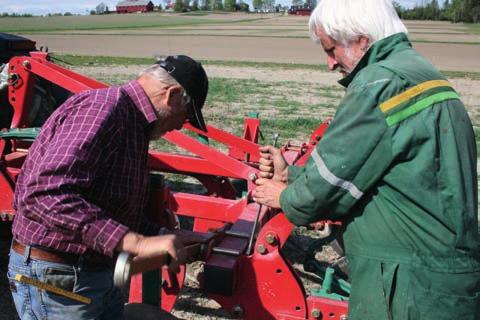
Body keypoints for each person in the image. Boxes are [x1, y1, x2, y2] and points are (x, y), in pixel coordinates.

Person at [253, 1, 480, 319]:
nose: (330, 64)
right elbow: (380, 171)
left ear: (361, 39)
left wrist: (284, 196)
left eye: (331, 49)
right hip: (444, 280)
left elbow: (321, 192)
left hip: (407, 288)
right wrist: (291, 174)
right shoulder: (427, 78)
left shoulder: (381, 84)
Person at [8, 55, 209, 320]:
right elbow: (46, 192)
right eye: (184, 118)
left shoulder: (132, 124)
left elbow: (110, 209)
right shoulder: (104, 110)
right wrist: (134, 242)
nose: (177, 127)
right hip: (58, 278)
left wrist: (160, 235)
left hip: (88, 273)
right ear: (172, 95)